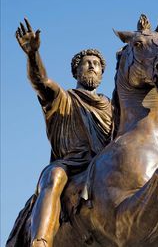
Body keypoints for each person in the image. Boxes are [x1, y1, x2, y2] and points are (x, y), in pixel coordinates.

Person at [15, 18, 113, 247]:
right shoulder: (63, 98)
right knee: (53, 176)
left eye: (96, 64)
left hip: (105, 165)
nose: (91, 66)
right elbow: (40, 81)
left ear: (101, 73)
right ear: (76, 71)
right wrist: (32, 54)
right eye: (86, 63)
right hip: (71, 163)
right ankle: (40, 240)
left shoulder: (113, 106)